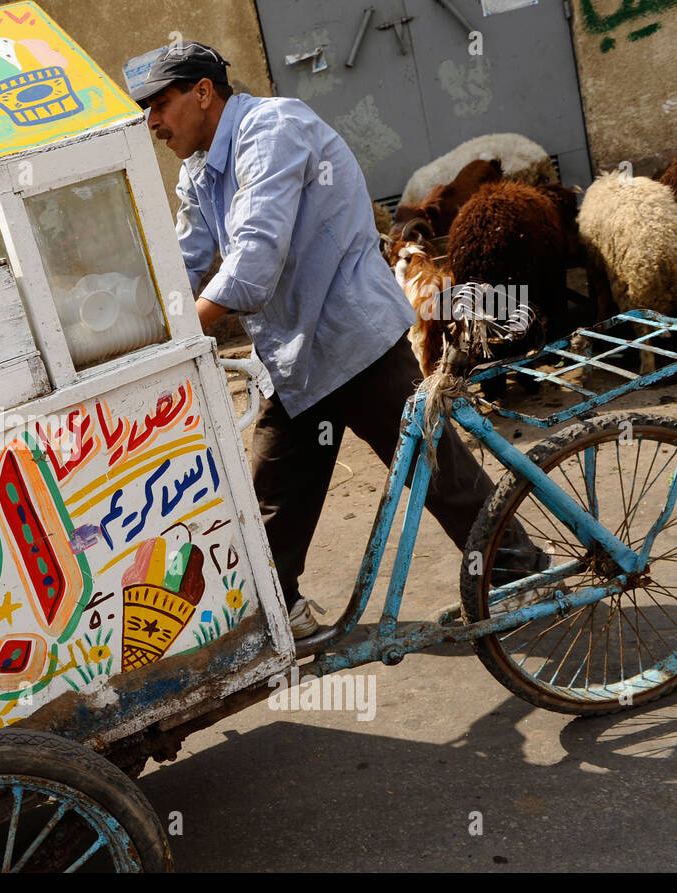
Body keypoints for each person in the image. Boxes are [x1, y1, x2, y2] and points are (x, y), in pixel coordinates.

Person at [131, 43, 512, 639]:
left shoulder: (273, 129)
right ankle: (280, 617)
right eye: (145, 109)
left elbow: (255, 255)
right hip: (295, 357)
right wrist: (140, 329)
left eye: (160, 103)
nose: (152, 121)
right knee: (275, 493)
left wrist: (187, 326)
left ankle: (518, 575)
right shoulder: (199, 169)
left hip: (354, 341)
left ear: (204, 92)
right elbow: (186, 255)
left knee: (438, 472)